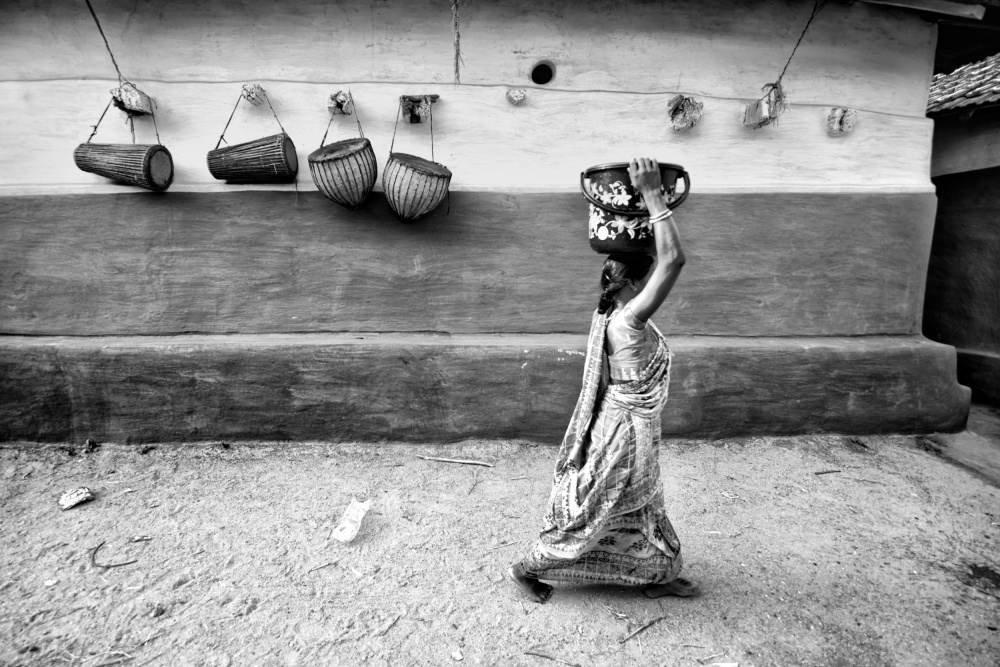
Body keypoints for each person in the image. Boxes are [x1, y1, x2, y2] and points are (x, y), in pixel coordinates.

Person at [509, 157, 698, 604]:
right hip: (624, 433)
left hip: (635, 427)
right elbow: (675, 259)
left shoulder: (613, 313)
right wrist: (652, 194)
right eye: (647, 275)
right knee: (594, 506)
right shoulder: (628, 319)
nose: (655, 279)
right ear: (635, 283)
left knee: (645, 501)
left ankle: (657, 571)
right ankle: (528, 567)